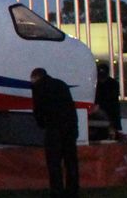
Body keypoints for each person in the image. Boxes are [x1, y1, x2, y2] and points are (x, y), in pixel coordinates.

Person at [31, 67, 79, 197]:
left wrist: (41, 123)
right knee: (71, 162)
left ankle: (57, 191)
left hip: (54, 129)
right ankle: (72, 190)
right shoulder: (61, 84)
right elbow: (71, 107)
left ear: (36, 77)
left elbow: (38, 109)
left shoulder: (38, 87)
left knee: (54, 163)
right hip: (69, 128)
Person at [93, 64, 122, 140]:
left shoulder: (112, 84)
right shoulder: (97, 84)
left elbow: (111, 99)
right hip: (104, 110)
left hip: (109, 111)